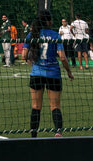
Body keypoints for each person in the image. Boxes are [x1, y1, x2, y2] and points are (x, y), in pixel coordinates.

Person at [21, 7, 73, 137]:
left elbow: (23, 55)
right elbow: (62, 57)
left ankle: (34, 136)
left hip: (37, 73)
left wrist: (32, 59)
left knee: (35, 106)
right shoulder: (55, 35)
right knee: (55, 106)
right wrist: (69, 72)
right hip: (53, 74)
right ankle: (58, 132)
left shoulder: (32, 34)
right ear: (48, 21)